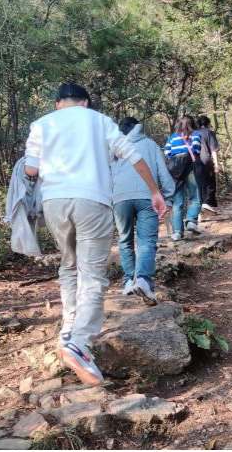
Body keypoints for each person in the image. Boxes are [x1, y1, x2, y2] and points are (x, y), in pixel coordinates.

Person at [25, 83, 167, 387]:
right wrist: (154, 192)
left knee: (68, 264)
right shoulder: (101, 121)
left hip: (54, 202)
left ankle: (68, 329)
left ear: (58, 104)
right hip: (92, 201)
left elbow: (31, 170)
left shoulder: (41, 124)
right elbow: (133, 156)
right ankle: (80, 343)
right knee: (92, 273)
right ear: (86, 102)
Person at [112, 117, 176, 306]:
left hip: (119, 198)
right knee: (147, 240)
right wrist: (168, 197)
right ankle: (142, 280)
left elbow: (107, 172)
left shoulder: (114, 145)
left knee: (124, 239)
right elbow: (162, 171)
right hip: (148, 195)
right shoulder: (150, 144)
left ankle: (128, 282)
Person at [165, 115, 203, 241]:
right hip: (190, 169)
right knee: (195, 197)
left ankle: (177, 232)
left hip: (175, 171)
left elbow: (167, 152)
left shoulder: (173, 137)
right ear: (192, 124)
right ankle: (191, 221)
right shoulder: (195, 135)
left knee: (177, 202)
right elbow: (196, 149)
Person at [196, 116, 220, 213]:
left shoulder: (194, 133)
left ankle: (200, 205)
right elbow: (213, 150)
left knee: (199, 183)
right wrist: (216, 164)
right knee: (210, 182)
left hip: (196, 161)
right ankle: (207, 202)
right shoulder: (210, 133)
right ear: (208, 124)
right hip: (207, 160)